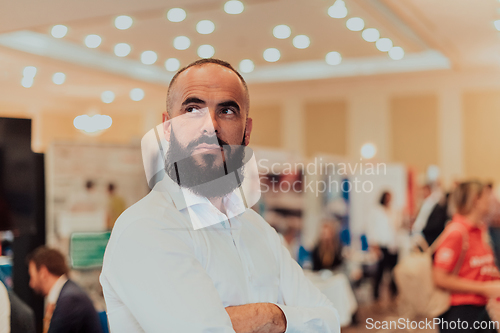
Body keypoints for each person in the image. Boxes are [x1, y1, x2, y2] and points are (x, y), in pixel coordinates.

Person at [100, 59, 340, 332]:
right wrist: (287, 318)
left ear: (246, 132)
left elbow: (330, 321)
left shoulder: (257, 229)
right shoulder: (145, 227)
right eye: (192, 109)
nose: (209, 125)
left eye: (226, 111)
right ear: (167, 129)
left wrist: (272, 315)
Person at [433, 181, 500, 333]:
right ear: (476, 200)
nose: (491, 200)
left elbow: (481, 268)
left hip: (479, 309)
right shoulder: (457, 232)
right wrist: (484, 288)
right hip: (458, 312)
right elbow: (439, 278)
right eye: (486, 196)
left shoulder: (479, 231)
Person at [27, 246, 103, 333]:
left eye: (32, 277)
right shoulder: (67, 293)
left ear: (43, 273)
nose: (31, 284)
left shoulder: (70, 299)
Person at [366, 191, 401, 302]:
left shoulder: (393, 211)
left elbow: (396, 227)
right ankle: (376, 294)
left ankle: (394, 292)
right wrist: (374, 244)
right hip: (382, 244)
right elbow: (371, 229)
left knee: (394, 271)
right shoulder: (376, 211)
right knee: (380, 271)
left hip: (393, 245)